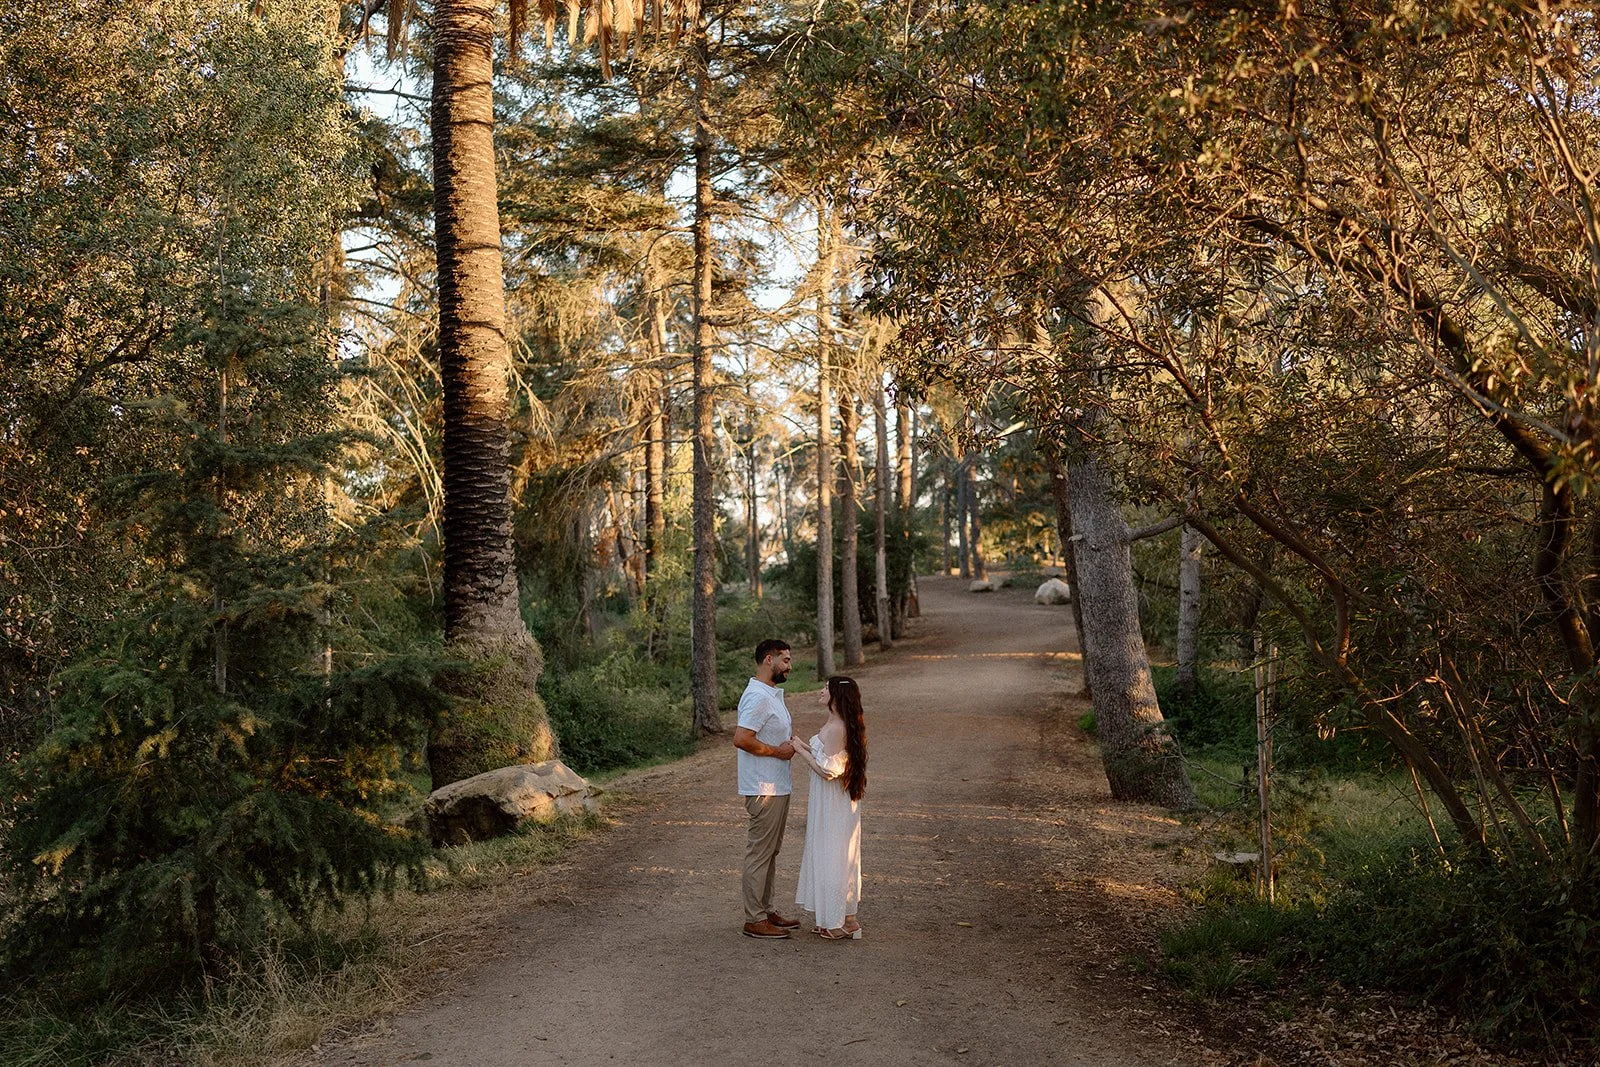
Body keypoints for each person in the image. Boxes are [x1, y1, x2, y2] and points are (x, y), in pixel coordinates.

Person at [790, 675, 868, 940]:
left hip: (833, 801)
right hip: (831, 799)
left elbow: (828, 770)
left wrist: (800, 752)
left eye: (826, 688)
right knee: (835, 853)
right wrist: (800, 744)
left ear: (836, 695)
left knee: (834, 853)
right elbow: (825, 756)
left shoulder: (837, 728)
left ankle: (837, 922)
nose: (821, 691)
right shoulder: (835, 723)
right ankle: (847, 919)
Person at [733, 638, 801, 939]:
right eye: (785, 660)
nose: (789, 665)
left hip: (777, 785)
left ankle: (766, 908)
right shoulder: (757, 696)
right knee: (760, 852)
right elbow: (742, 739)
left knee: (771, 851)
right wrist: (778, 751)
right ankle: (754, 919)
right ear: (769, 660)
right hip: (764, 787)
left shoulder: (771, 695)